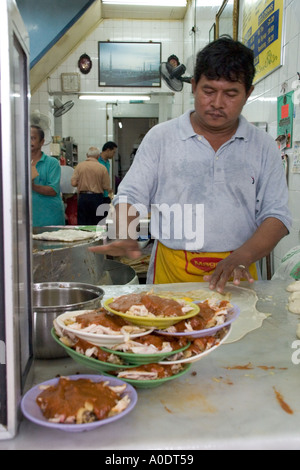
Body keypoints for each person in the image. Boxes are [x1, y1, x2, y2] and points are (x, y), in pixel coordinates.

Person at [89, 37, 292, 293]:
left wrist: (242, 256)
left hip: (238, 272)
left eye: (230, 94)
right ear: (194, 85)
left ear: (248, 93)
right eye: (209, 91)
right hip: (172, 273)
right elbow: (131, 194)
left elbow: (277, 215)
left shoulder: (262, 146)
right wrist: (124, 229)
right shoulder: (161, 138)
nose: (217, 103)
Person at [31, 125, 65, 227]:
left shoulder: (51, 163)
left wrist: (31, 186)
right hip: (29, 218)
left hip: (49, 217)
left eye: (33, 138)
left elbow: (53, 190)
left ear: (42, 142)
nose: (29, 141)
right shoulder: (20, 163)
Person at [71, 146, 111, 225]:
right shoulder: (102, 168)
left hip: (83, 198)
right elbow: (106, 186)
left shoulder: (79, 166)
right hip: (97, 198)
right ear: (98, 156)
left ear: (87, 155)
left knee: (83, 223)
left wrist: (82, 182)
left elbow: (73, 183)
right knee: (97, 223)